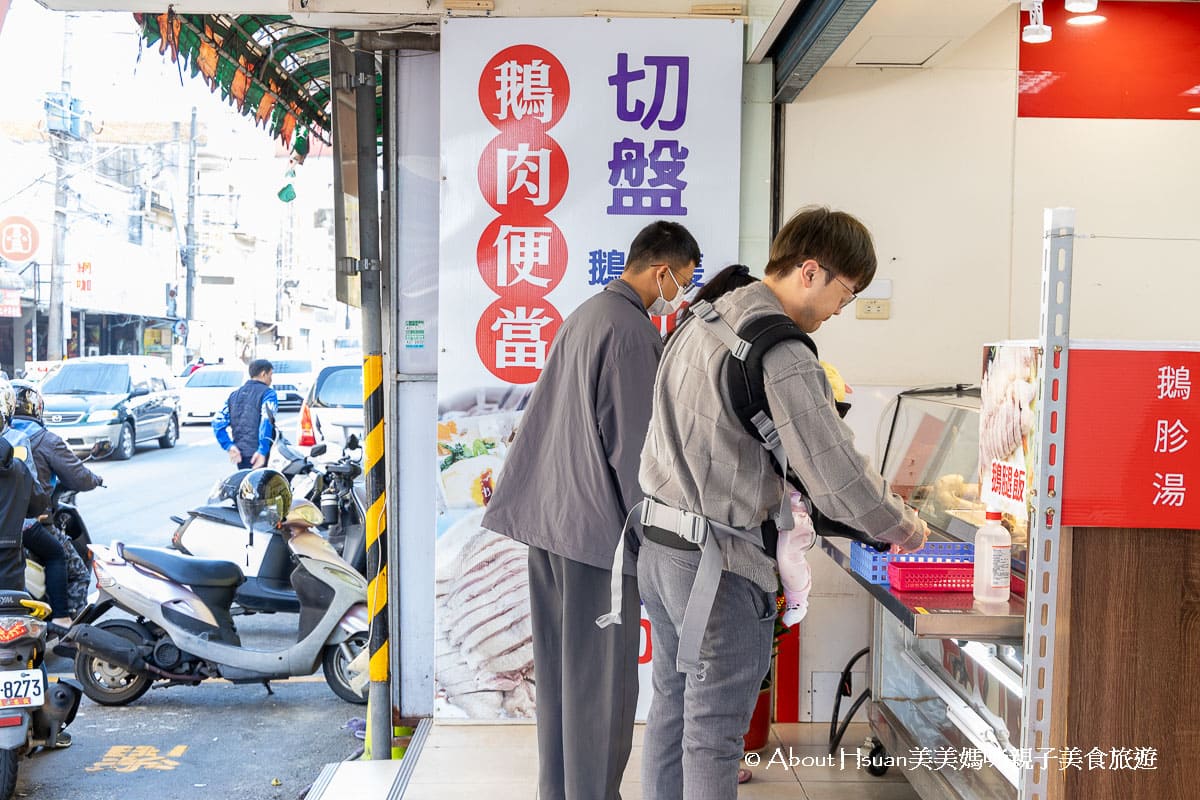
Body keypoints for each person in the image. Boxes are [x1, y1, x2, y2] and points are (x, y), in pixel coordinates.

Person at [633, 207, 929, 800]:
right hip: (718, 565)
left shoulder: (708, 313)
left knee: (673, 710)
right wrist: (905, 529)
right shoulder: (782, 349)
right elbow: (837, 474)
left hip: (660, 547)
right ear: (811, 271)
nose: (843, 308)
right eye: (847, 292)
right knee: (714, 734)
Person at [481, 220, 701, 800]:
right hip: (595, 540)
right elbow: (637, 452)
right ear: (663, 272)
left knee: (560, 681)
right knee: (600, 688)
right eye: (685, 280)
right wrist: (663, 538)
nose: (682, 291)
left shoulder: (584, 316)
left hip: (551, 526)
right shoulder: (631, 332)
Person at [8, 380, 102, 625]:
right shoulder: (36, 440)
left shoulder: (10, 437)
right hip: (26, 522)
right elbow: (40, 489)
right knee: (73, 568)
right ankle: (63, 619)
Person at [213, 358, 278, 469]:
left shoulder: (233, 395)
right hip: (260, 455)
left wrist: (229, 446)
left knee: (245, 484)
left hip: (241, 454)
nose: (271, 379)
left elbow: (217, 422)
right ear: (263, 374)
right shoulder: (268, 394)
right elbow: (266, 422)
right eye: (270, 375)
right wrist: (262, 451)